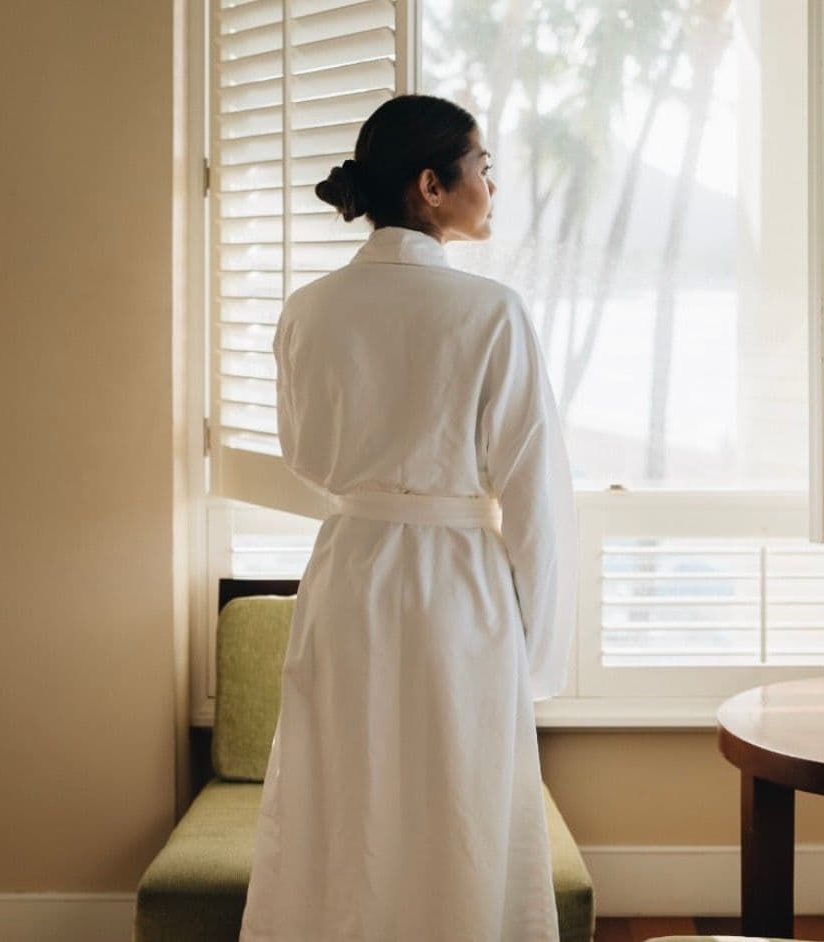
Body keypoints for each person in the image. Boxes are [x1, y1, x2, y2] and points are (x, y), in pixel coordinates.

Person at [237, 94, 578, 942]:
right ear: (433, 185)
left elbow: (304, 456)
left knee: (344, 795)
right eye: (483, 168)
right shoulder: (491, 313)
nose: (493, 187)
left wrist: (375, 487)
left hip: (349, 573)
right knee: (457, 797)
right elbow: (535, 491)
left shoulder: (310, 309)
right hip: (459, 589)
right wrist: (537, 651)